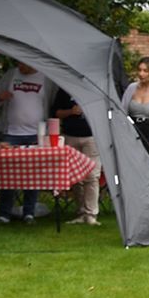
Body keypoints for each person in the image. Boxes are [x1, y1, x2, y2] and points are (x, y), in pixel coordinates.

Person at [0, 60, 57, 221]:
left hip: (37, 134)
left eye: (23, 64)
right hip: (11, 133)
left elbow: (52, 103)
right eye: (18, 64)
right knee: (7, 175)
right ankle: (4, 213)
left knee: (33, 175)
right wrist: (0, 98)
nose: (20, 67)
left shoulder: (46, 79)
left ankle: (29, 212)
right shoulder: (10, 76)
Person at [51, 87, 102, 226]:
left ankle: (91, 214)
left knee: (92, 175)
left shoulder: (94, 88)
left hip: (92, 137)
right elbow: (56, 112)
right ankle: (80, 212)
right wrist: (71, 111)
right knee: (76, 176)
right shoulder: (64, 89)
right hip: (70, 135)